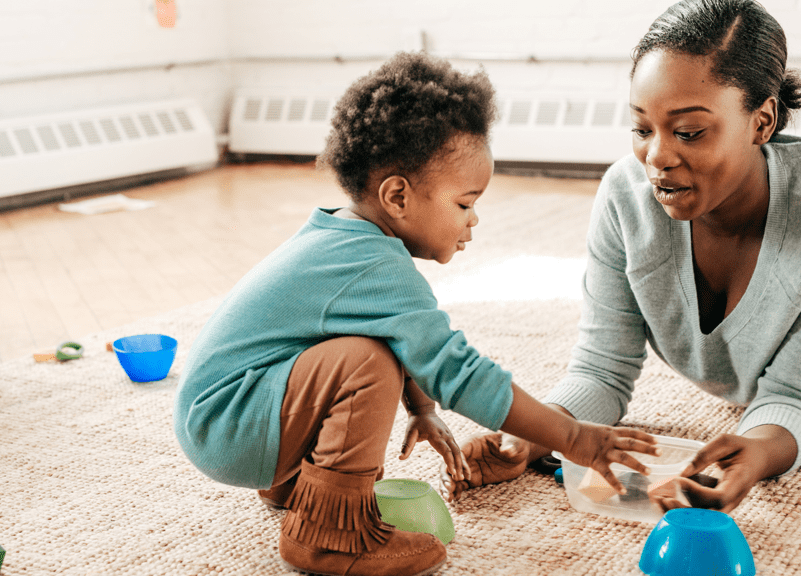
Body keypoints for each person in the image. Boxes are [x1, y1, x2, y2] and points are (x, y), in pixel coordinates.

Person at [173, 52, 658, 576]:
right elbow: (459, 372)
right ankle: (329, 539)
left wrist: (421, 409)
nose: (474, 220)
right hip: (228, 425)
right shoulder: (374, 266)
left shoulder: (345, 238)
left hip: (226, 418)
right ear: (398, 196)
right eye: (465, 203)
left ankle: (301, 488)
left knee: (366, 350)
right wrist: (574, 437)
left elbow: (397, 336)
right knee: (364, 364)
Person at [444, 0, 801, 514]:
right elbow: (602, 370)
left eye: (689, 132)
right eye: (641, 128)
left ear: (762, 122)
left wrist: (762, 452)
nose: (657, 158)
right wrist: (534, 436)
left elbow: (798, 392)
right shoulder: (626, 199)